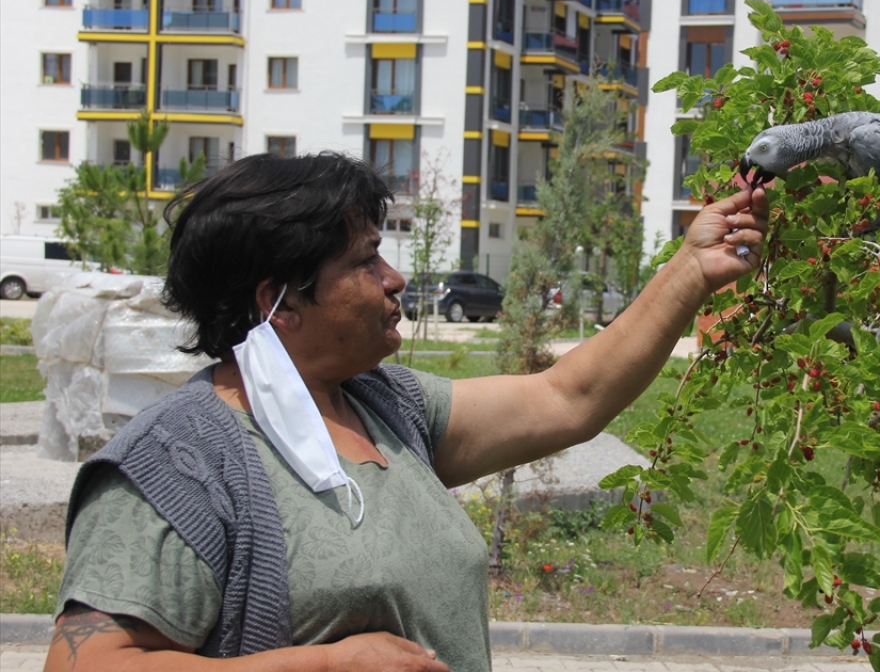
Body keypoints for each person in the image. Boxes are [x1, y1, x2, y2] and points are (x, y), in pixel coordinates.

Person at [43, 152, 768, 672]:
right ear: (278, 301)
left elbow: (566, 398)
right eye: (364, 262)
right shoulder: (176, 465)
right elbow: (85, 664)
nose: (394, 279)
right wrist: (326, 667)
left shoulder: (386, 405)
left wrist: (690, 269)